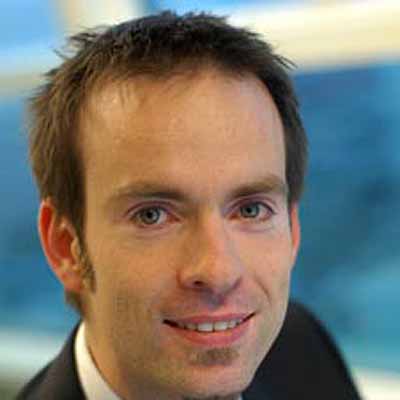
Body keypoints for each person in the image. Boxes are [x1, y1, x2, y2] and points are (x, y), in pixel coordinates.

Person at [16, 11, 361, 400]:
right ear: (66, 247)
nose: (219, 272)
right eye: (153, 216)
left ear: (293, 229)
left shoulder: (300, 347)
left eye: (251, 210)